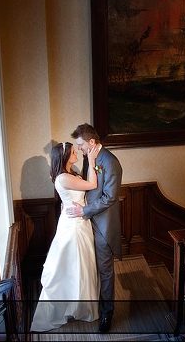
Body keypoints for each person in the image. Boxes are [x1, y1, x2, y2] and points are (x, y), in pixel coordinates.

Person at [30, 142, 101, 332]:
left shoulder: (69, 174)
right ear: (65, 156)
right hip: (74, 227)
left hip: (78, 222)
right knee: (74, 266)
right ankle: (75, 306)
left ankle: (82, 306)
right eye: (72, 151)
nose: (76, 152)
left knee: (81, 265)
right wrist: (92, 159)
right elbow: (92, 184)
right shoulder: (63, 177)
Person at [67, 123, 123, 333]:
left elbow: (110, 198)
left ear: (91, 142)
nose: (79, 148)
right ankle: (93, 306)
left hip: (103, 226)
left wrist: (84, 211)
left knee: (105, 271)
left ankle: (107, 313)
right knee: (92, 268)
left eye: (81, 145)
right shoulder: (88, 158)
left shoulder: (110, 161)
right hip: (86, 223)